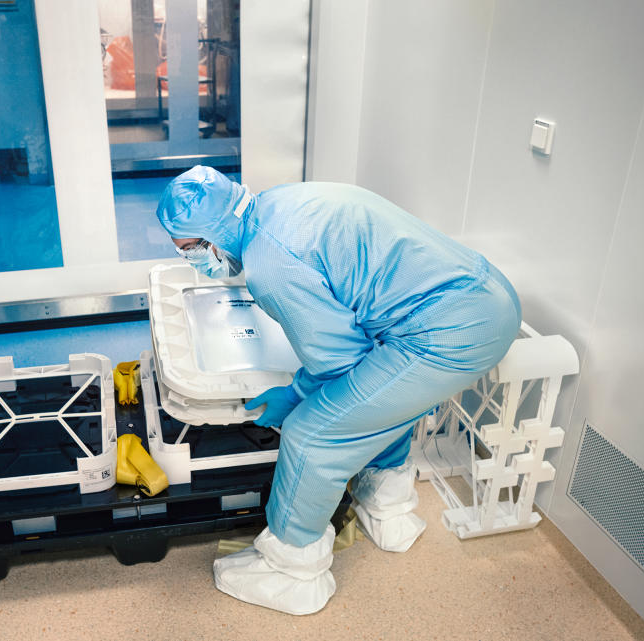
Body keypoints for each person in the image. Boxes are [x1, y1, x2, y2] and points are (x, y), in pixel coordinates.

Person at [155, 166, 521, 615]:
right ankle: (389, 508)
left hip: (449, 331)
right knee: (379, 398)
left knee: (316, 433)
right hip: (487, 295)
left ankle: (292, 570)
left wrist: (294, 395)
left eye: (188, 250)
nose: (192, 261)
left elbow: (339, 361)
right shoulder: (279, 203)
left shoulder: (269, 267)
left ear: (210, 236)